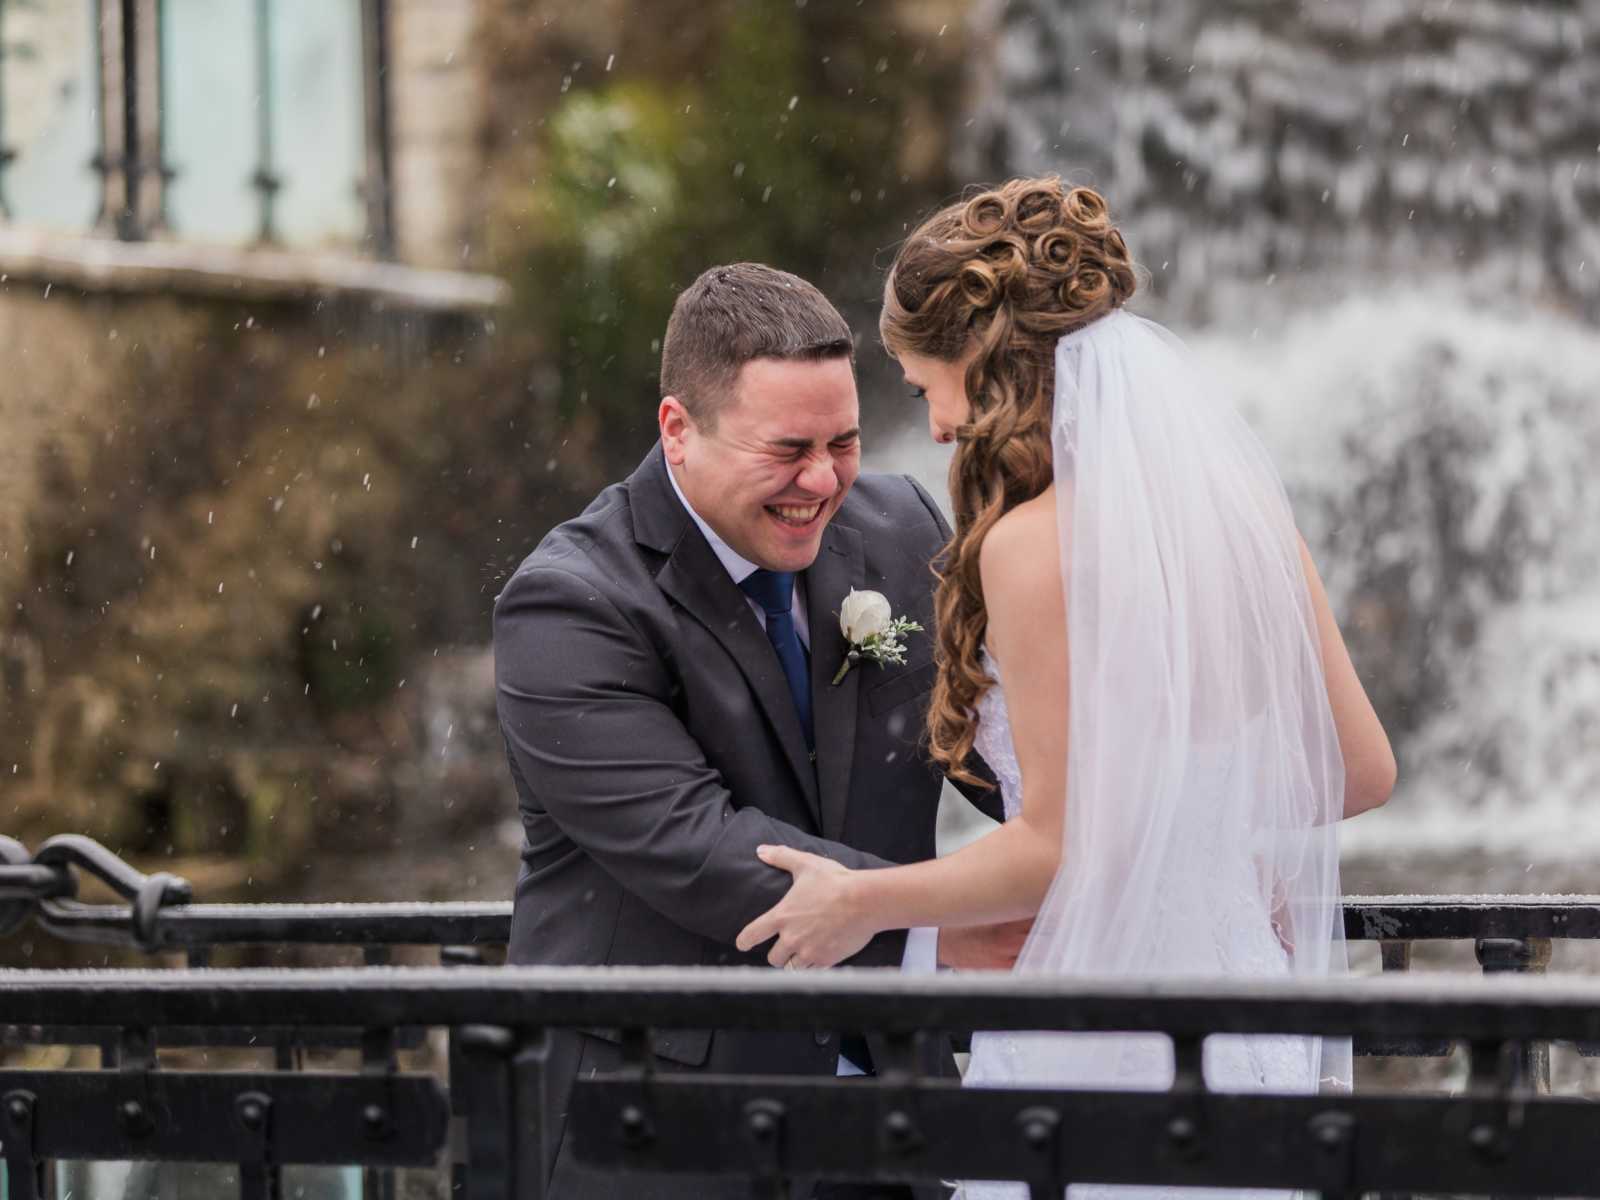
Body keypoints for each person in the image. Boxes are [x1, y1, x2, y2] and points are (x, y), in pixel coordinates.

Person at [735, 178, 1397, 1198]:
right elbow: (1358, 772)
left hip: (1102, 1036)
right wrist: (1207, 846)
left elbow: (1060, 844)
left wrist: (860, 901)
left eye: (925, 390)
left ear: (980, 360)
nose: (940, 426)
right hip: (1241, 1021)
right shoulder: (1251, 527)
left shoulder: (1028, 547)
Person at [493, 262, 1022, 1199]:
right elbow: (700, 848)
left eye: (844, 442)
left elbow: (997, 754)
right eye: (786, 450)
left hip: (900, 1119)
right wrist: (943, 926)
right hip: (666, 1132)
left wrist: (1116, 848)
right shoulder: (569, 603)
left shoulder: (901, 529)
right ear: (677, 430)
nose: (821, 482)